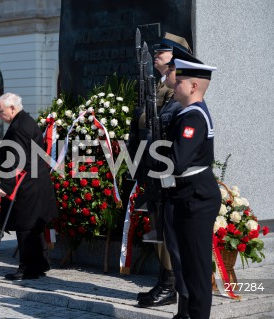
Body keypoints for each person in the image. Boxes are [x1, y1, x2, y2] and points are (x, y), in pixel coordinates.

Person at [132, 33, 192, 309]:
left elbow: (154, 120)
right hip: (153, 166)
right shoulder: (159, 85)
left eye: (163, 52)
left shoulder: (177, 91)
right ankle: (163, 281)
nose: (156, 55)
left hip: (168, 167)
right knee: (159, 228)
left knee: (168, 231)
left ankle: (170, 285)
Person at [164, 58, 221, 319]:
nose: (175, 84)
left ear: (194, 86)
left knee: (197, 270)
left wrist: (151, 154)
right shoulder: (186, 113)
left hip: (195, 195)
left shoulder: (194, 117)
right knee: (185, 265)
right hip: (185, 192)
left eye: (181, 81)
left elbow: (177, 161)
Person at [0, 93, 58, 280]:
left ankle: (27, 267)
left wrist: (5, 186)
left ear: (12, 108)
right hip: (35, 182)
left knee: (25, 226)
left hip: (28, 184)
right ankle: (39, 264)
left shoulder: (19, 127)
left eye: (1, 111)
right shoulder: (25, 121)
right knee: (33, 226)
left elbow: (16, 160)